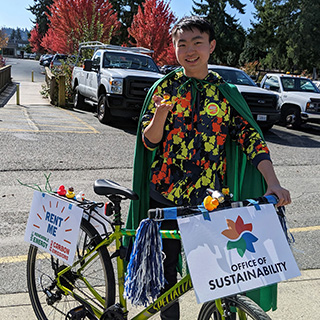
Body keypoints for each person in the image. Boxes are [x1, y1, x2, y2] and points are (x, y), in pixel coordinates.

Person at [126, 16, 291, 320]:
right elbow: (149, 143)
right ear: (173, 49)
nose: (190, 50)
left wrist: (273, 182)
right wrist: (160, 115)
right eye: (182, 44)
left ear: (211, 46)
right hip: (165, 197)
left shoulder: (226, 93)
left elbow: (251, 139)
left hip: (209, 201)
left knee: (221, 273)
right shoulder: (165, 87)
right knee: (167, 277)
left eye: (197, 42)